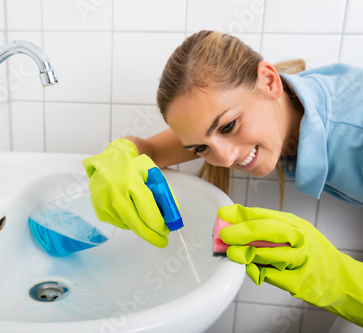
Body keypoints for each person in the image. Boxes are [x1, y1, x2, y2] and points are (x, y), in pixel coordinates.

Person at [82, 30, 363, 327]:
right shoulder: (269, 103)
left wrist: (331, 276)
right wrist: (117, 158)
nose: (226, 159)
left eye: (229, 126)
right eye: (201, 148)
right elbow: (148, 150)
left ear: (270, 80)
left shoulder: (355, 134)